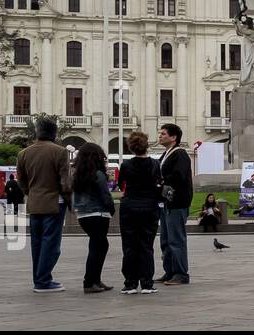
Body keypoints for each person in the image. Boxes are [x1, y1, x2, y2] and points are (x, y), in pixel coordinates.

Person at [16, 117, 71, 294]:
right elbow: (65, 182)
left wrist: (31, 194)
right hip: (54, 203)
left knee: (37, 243)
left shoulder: (23, 153)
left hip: (34, 203)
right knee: (51, 244)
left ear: (37, 132)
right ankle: (43, 280)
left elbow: (21, 182)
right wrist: (69, 199)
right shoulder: (60, 152)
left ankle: (38, 278)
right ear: (54, 133)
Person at [118, 131, 162, 294]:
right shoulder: (155, 164)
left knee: (129, 245)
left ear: (131, 147)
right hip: (149, 207)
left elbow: (120, 183)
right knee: (146, 245)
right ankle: (147, 283)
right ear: (146, 145)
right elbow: (158, 183)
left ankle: (130, 283)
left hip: (129, 207)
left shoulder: (126, 165)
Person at [71, 142, 115, 293]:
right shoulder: (98, 174)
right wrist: (112, 209)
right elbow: (105, 195)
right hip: (98, 214)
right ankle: (90, 281)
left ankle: (95, 279)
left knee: (98, 245)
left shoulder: (78, 175)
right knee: (98, 247)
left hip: (83, 215)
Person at [157, 123, 192, 286]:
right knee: (165, 239)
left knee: (176, 239)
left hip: (176, 202)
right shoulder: (165, 155)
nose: (160, 136)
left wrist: (161, 181)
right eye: (160, 133)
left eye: (163, 134)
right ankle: (169, 271)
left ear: (173, 137)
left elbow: (178, 176)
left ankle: (181, 273)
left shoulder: (180, 154)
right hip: (165, 202)